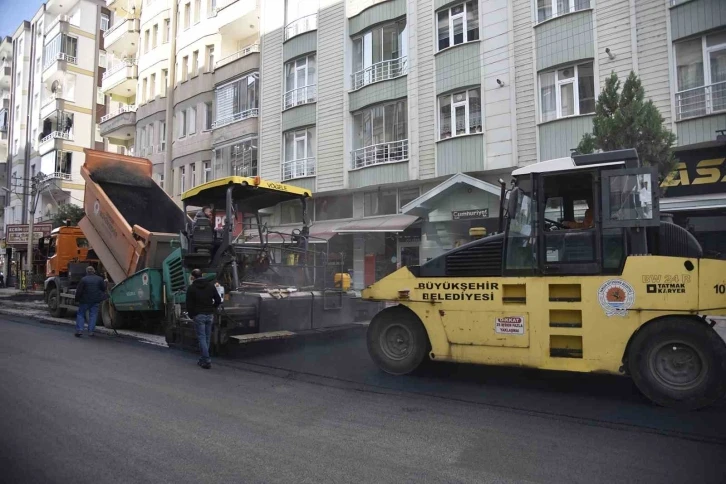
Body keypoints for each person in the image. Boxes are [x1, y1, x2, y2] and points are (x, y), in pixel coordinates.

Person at [185, 269, 221, 369]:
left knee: (201, 337)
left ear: (193, 277)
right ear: (202, 275)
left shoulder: (191, 288)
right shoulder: (210, 285)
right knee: (207, 338)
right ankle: (203, 359)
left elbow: (189, 304)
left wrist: (192, 315)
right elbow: (218, 300)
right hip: (209, 315)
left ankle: (206, 359)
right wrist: (213, 308)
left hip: (199, 315)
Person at [74, 266, 107, 337]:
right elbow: (103, 289)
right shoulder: (99, 279)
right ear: (94, 271)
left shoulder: (83, 280)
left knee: (80, 314)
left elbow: (79, 291)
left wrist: (76, 300)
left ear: (86, 272)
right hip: (95, 300)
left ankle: (80, 330)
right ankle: (91, 331)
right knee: (93, 315)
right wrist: (106, 283)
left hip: (84, 301)